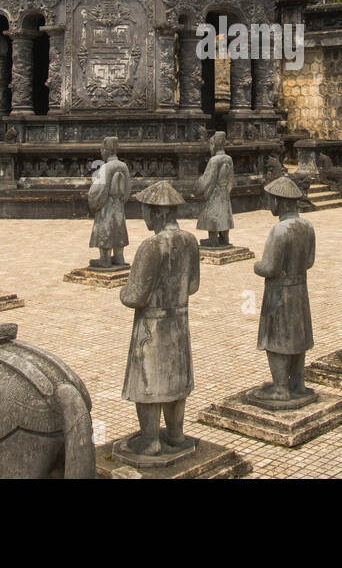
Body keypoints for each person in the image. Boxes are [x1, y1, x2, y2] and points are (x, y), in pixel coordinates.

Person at [119, 180, 201, 458]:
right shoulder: (190, 241)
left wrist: (123, 291)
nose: (143, 215)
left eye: (144, 209)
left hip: (151, 325)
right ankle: (176, 434)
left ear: (156, 212)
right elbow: (192, 286)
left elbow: (135, 296)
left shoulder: (151, 246)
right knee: (176, 375)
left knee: (148, 379)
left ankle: (151, 438)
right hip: (178, 321)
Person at [249, 176, 316, 406]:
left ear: (281, 201)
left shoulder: (280, 230)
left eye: (271, 200)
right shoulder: (307, 226)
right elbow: (309, 261)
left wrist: (256, 266)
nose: (270, 205)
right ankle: (298, 383)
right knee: (298, 335)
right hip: (300, 289)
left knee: (276, 338)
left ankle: (280, 387)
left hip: (279, 293)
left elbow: (269, 267)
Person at [88, 136, 130, 268]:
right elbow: (128, 187)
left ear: (106, 150)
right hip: (119, 203)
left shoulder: (105, 167)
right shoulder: (123, 166)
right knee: (119, 228)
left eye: (102, 149)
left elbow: (97, 189)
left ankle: (104, 258)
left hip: (106, 204)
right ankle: (119, 257)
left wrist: (93, 203)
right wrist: (122, 200)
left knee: (105, 228)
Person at [195, 131, 235, 247]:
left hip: (215, 191)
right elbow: (231, 179)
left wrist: (200, 188)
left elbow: (209, 179)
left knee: (213, 215)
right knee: (224, 215)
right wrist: (226, 190)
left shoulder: (214, 161)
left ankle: (213, 240)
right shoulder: (228, 159)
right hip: (224, 192)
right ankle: (225, 238)